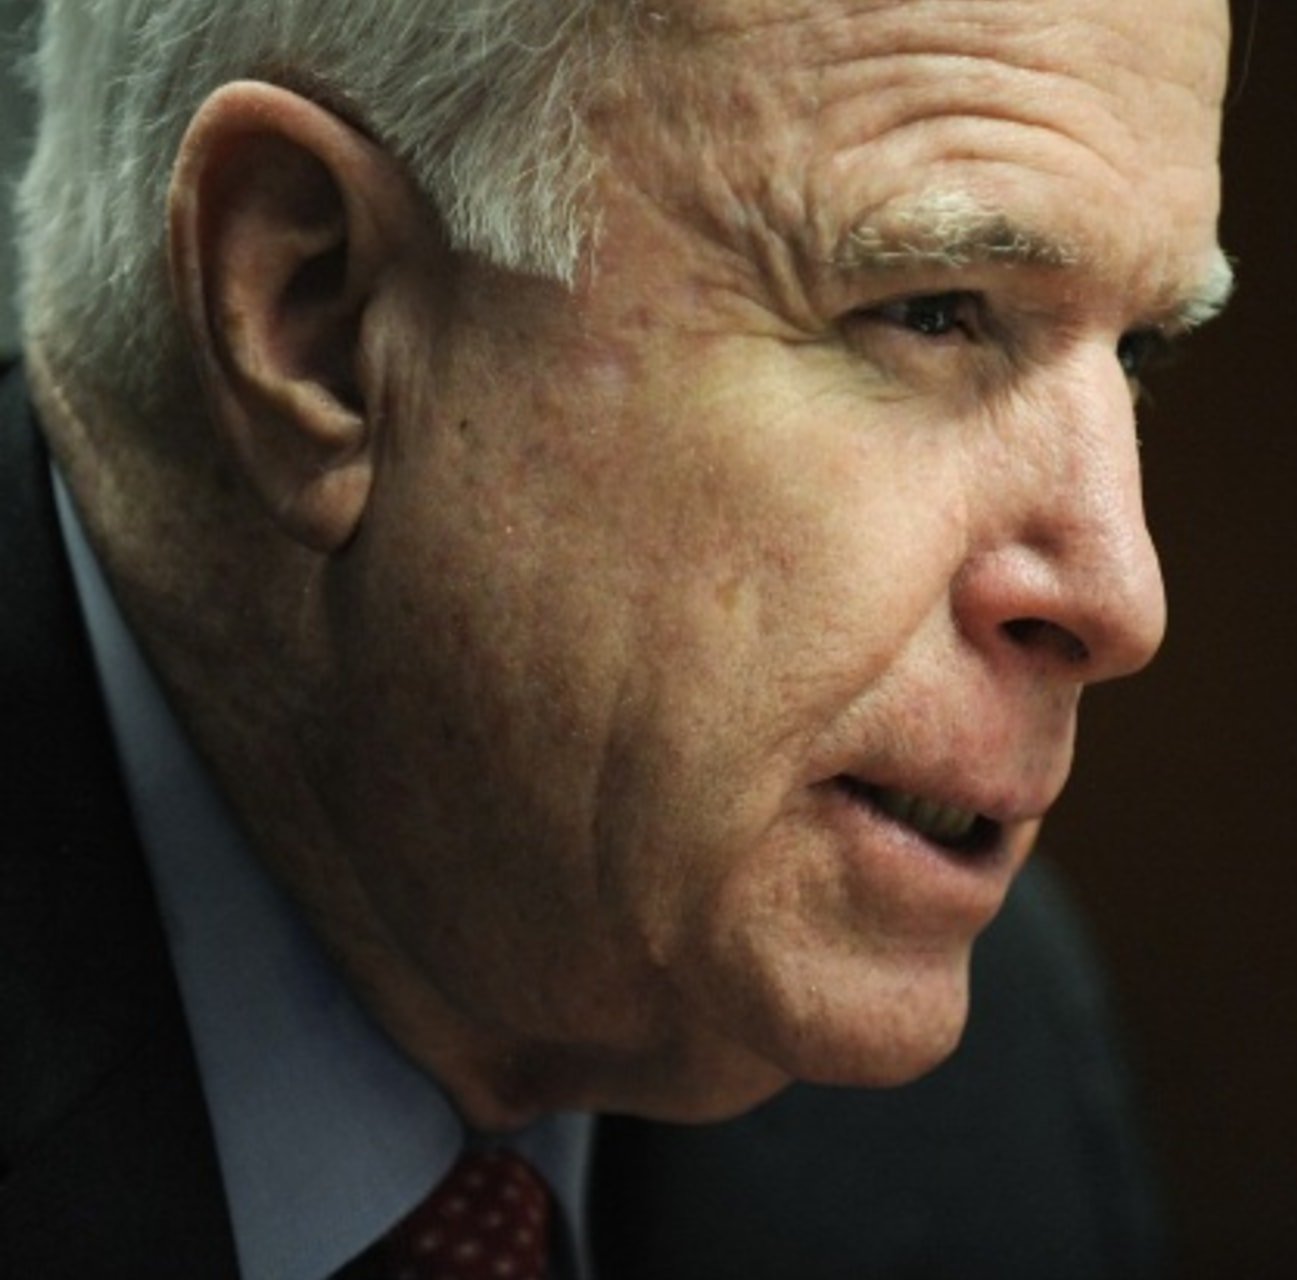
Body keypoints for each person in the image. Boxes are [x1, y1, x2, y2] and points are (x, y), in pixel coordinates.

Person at [0, 0, 1233, 1274]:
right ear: (319, 313)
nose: (1121, 594)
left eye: (1138, 350)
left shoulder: (989, 1083)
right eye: (933, 309)